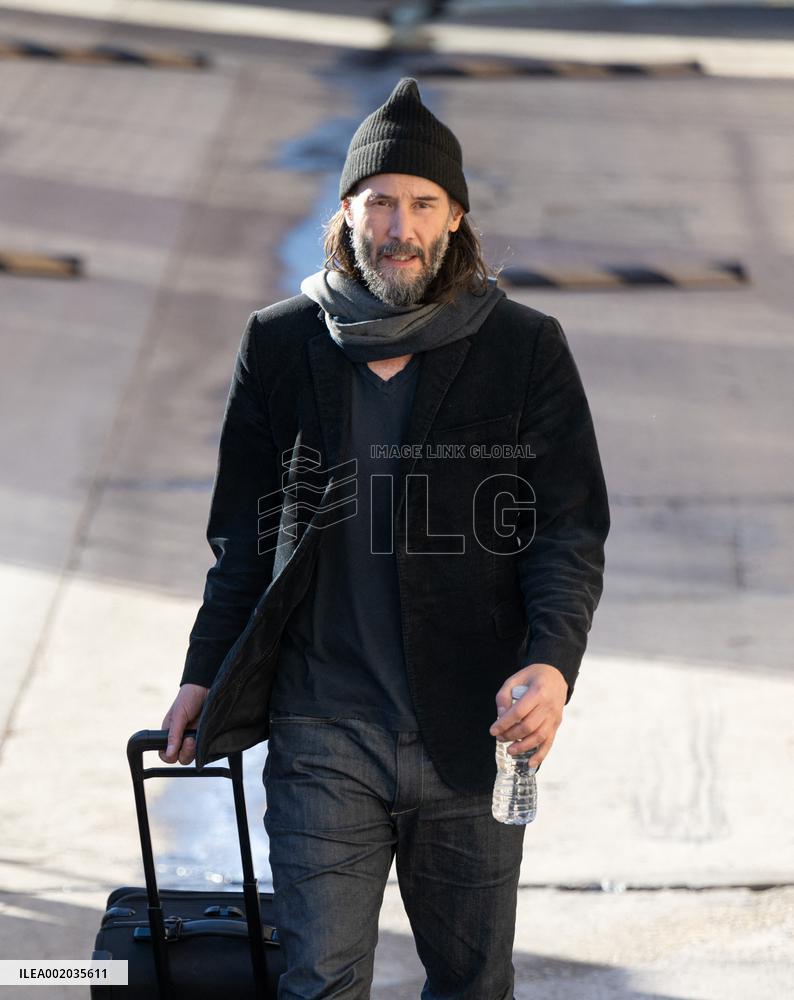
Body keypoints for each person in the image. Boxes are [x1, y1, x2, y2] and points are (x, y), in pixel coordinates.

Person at [160, 78, 610, 999]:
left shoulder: (524, 347)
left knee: (470, 981)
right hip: (321, 724)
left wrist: (553, 665)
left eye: (421, 204)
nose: (398, 226)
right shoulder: (281, 344)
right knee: (318, 978)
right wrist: (204, 671)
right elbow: (244, 539)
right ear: (347, 213)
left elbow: (566, 531)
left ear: (455, 220)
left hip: (472, 725)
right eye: (380, 202)